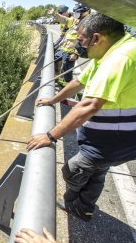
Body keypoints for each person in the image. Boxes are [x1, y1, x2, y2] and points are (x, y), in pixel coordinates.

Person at [27, 13, 136, 221]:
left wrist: (50, 136)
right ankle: (85, 207)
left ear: (97, 38)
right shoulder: (108, 52)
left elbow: (89, 105)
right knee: (97, 172)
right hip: (114, 138)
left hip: (114, 140)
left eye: (81, 40)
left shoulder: (120, 58)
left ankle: (73, 203)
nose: (80, 46)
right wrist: (54, 99)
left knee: (73, 170)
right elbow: (79, 83)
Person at [49, 4, 90, 83]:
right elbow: (64, 19)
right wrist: (54, 14)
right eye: (75, 12)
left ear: (86, 12)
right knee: (53, 59)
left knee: (67, 70)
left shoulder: (88, 24)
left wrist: (76, 53)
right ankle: (58, 79)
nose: (76, 14)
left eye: (78, 12)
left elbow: (85, 42)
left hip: (71, 51)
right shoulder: (75, 21)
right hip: (63, 48)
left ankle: (66, 86)